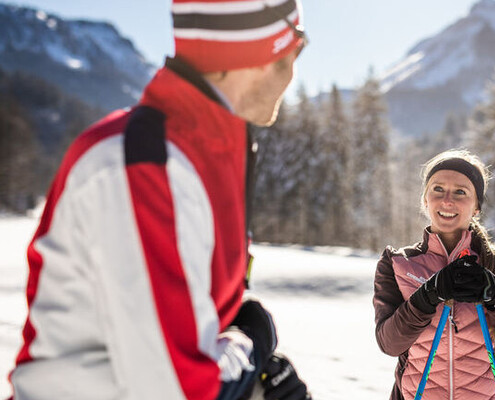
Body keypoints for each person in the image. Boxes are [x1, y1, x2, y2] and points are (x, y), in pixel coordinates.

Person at [9, 1, 311, 399]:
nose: (293, 73)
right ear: (257, 55)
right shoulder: (144, 165)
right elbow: (173, 387)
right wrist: (249, 347)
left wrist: (255, 379)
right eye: (295, 50)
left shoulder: (206, 151)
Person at [373, 149, 495, 400]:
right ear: (425, 199)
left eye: (461, 191)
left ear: (477, 206)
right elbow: (390, 343)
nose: (447, 200)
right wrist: (426, 297)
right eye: (438, 189)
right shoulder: (397, 264)